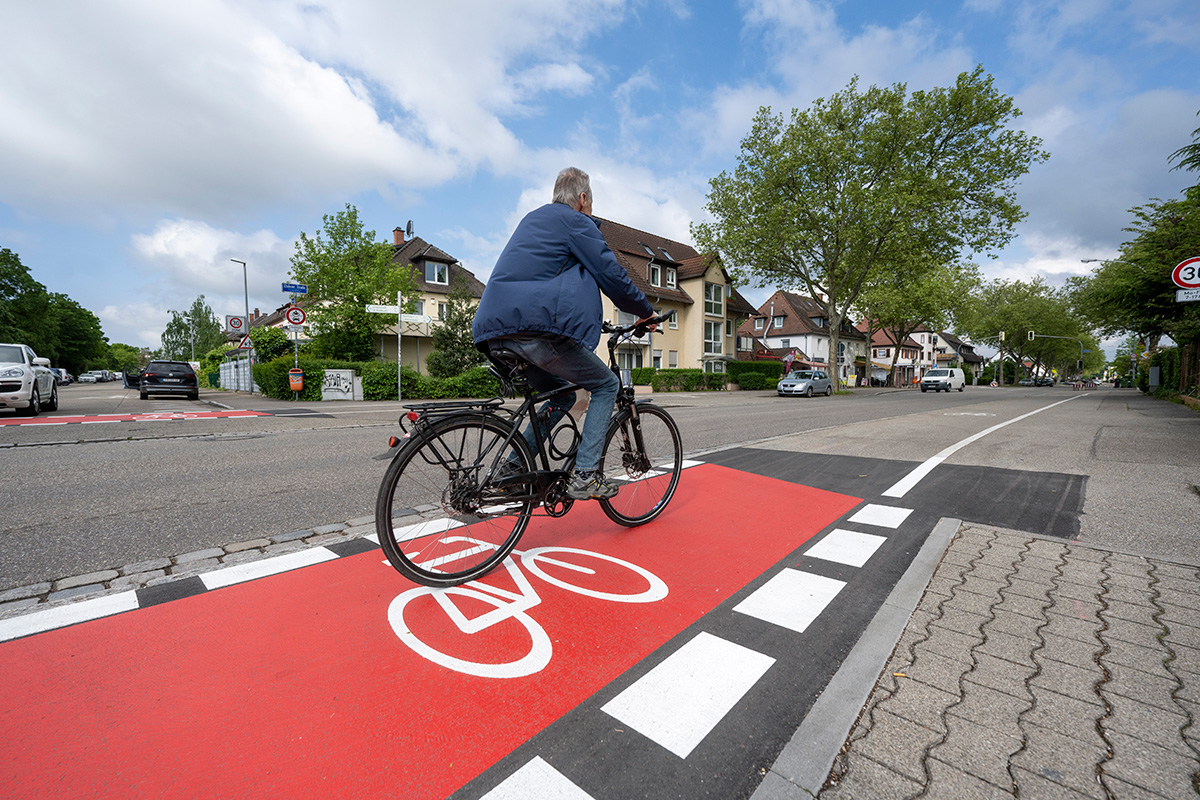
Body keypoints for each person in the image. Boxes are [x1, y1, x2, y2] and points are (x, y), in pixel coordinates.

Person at [472, 167, 657, 500]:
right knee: (606, 385)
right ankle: (586, 475)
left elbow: (543, 277)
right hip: (534, 330)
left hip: (494, 331)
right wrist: (645, 312)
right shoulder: (574, 221)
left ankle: (513, 470)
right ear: (583, 199)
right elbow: (610, 273)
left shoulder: (533, 221)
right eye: (591, 202)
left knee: (562, 396)